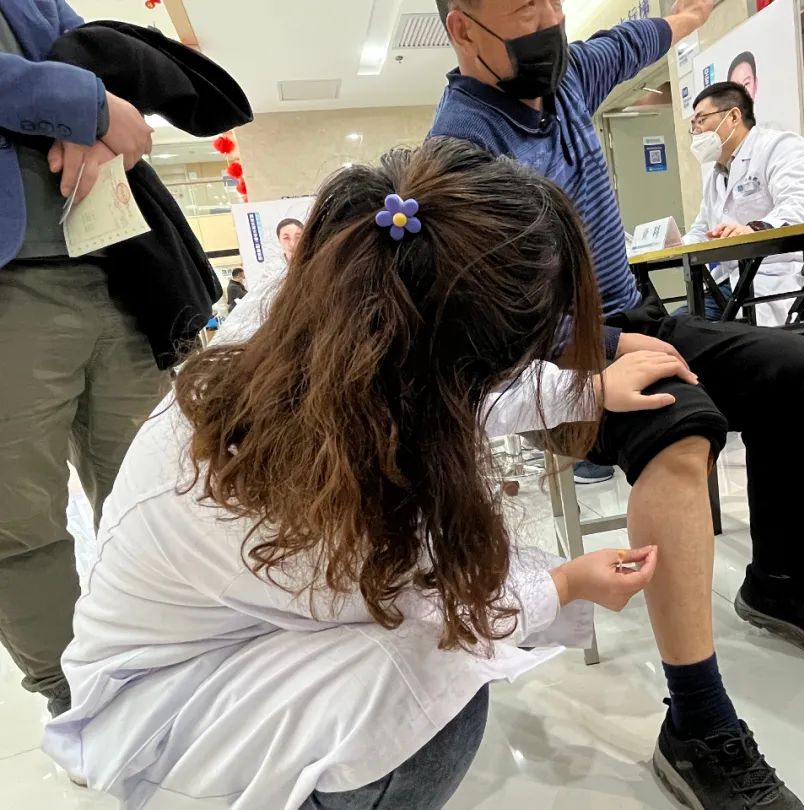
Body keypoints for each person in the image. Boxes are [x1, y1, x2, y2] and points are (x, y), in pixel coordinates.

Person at [42, 138, 700, 810]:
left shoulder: (316, 321)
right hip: (169, 709)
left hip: (219, 625)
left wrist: (587, 388)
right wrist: (565, 584)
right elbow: (429, 611)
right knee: (431, 692)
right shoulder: (301, 490)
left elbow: (437, 393)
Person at [431, 3, 804, 807]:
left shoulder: (573, 74)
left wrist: (693, 12)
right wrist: (608, 350)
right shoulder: (460, 153)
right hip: (554, 358)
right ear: (463, 29)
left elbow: (651, 33)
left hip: (635, 317)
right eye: (524, 8)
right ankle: (696, 723)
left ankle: (783, 580)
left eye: (552, 1)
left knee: (800, 368)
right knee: (681, 425)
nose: (548, 20)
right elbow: (492, 320)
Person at [0, 0, 163, 720]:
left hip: (113, 263)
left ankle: (164, 660)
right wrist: (88, 106)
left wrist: (97, 123)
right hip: (9, 284)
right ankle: (73, 701)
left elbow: (96, 56)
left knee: (152, 492)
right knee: (18, 519)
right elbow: (93, 91)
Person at [681, 81, 804, 327]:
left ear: (733, 116)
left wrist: (754, 228)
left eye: (701, 120)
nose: (696, 131)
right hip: (732, 283)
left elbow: (800, 207)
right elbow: (702, 230)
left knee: (687, 335)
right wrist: (671, 245)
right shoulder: (717, 175)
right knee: (672, 329)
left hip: (782, 278)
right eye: (693, 125)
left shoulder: (781, 147)